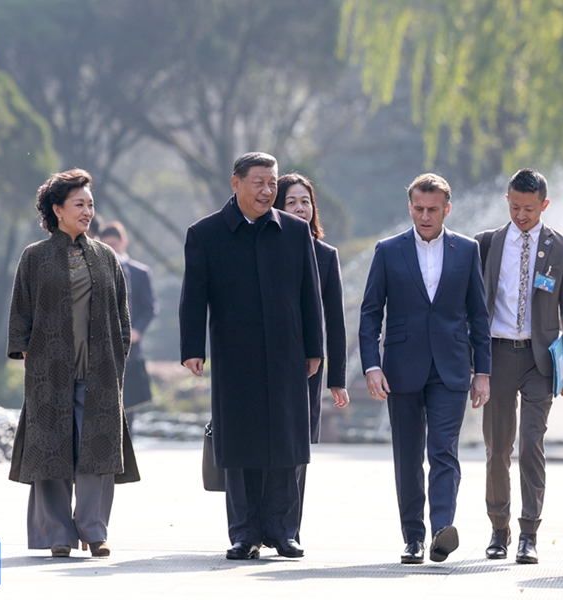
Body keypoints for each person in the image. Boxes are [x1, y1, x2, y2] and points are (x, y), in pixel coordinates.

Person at [179, 152, 325, 561]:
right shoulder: (206, 233)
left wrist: (314, 349)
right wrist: (192, 349)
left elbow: (309, 295)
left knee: (285, 443)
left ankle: (283, 530)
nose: (267, 191)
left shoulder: (294, 231)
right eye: (259, 182)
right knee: (239, 444)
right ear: (236, 183)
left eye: (272, 183)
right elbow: (194, 295)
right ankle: (244, 533)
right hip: (234, 354)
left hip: (287, 354)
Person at [5, 168, 141, 559]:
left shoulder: (105, 257)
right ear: (57, 209)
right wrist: (28, 354)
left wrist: (117, 357)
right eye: (79, 204)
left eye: (90, 205)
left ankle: (94, 531)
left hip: (100, 373)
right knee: (51, 451)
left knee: (98, 451)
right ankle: (58, 534)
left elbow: (121, 315)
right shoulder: (34, 257)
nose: (87, 212)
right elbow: (20, 313)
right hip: (50, 373)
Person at [359, 173, 492, 564]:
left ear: (447, 209)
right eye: (418, 208)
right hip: (400, 368)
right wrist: (371, 365)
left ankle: (441, 531)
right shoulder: (388, 250)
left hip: (451, 367)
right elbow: (370, 313)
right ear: (410, 207)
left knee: (444, 451)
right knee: (407, 456)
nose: (424, 216)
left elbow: (478, 315)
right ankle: (413, 538)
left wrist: (482, 372)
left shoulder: (466, 250)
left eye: (433, 209)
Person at [473, 168, 563, 565]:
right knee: (497, 447)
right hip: (498, 355)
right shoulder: (486, 244)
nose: (521, 215)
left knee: (532, 444)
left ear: (544, 205)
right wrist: (474, 362)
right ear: (507, 200)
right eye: (515, 207)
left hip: (540, 362)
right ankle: (498, 529)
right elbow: (473, 305)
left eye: (530, 209)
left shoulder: (562, 249)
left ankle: (529, 533)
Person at [272, 173, 351, 543]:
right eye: (291, 202)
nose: (300, 208)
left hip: (307, 366)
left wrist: (337, 380)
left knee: (297, 448)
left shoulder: (325, 255)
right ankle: (261, 525)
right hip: (267, 360)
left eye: (305, 201)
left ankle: (289, 529)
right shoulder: (265, 248)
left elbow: (335, 321)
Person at [97, 221, 157, 415]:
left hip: (129, 348)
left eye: (113, 244)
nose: (110, 249)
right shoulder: (92, 271)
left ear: (124, 242)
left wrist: (137, 331)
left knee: (128, 406)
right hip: (98, 348)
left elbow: (149, 308)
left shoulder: (140, 273)